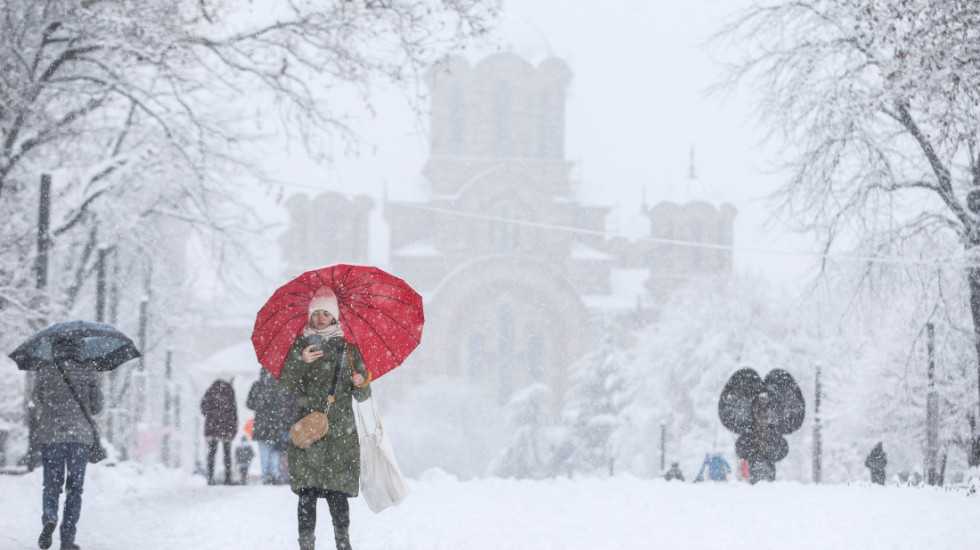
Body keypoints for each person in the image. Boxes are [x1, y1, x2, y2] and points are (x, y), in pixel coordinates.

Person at [278, 289, 372, 550]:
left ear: (335, 317)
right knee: (306, 493)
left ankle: (343, 543)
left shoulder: (350, 351)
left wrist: (360, 382)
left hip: (339, 433)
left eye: (326, 313)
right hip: (309, 431)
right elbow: (285, 384)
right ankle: (306, 545)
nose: (320, 318)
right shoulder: (300, 345)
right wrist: (301, 360)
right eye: (316, 313)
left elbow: (363, 395)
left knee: (337, 492)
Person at [33, 338, 103, 550]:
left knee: (51, 484)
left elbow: (37, 400)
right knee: (75, 489)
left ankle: (50, 517)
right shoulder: (89, 369)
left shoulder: (45, 369)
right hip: (79, 439)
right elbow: (97, 406)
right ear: (81, 349)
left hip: (52, 436)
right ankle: (67, 539)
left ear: (55, 349)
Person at [246, 368, 289, 484]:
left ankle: (266, 477)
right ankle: (274, 475)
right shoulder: (278, 386)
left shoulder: (257, 386)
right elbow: (281, 406)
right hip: (275, 425)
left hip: (261, 425)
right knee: (275, 451)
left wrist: (259, 404)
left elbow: (249, 404)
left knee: (264, 453)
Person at [201, 378, 237, 485]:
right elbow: (233, 410)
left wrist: (211, 415)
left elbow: (203, 407)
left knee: (211, 453)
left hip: (212, 426)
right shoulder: (229, 391)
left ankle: (211, 478)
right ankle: (227, 478)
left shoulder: (210, 390)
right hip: (226, 426)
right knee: (227, 454)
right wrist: (234, 425)